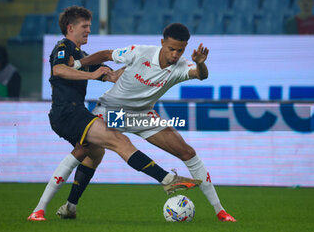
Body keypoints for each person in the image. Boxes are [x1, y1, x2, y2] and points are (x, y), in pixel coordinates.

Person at [27, 7, 200, 221]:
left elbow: (105, 74)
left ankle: (58, 208)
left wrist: (116, 75)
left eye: (89, 26)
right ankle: (166, 179)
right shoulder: (64, 47)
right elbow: (59, 70)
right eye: (85, 26)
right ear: (70, 28)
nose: (89, 30)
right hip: (67, 113)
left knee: (88, 154)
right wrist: (92, 76)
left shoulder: (81, 55)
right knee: (118, 139)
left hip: (73, 112)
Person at [57, 23, 236, 222]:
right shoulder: (139, 52)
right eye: (171, 49)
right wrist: (78, 65)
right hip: (111, 111)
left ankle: (220, 211)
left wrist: (201, 63)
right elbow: (107, 55)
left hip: (142, 116)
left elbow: (201, 75)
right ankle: (69, 206)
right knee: (91, 154)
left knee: (187, 152)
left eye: (180, 50)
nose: (175, 54)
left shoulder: (182, 65)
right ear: (162, 43)